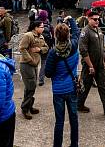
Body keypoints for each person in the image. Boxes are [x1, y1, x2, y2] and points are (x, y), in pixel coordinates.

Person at [44, 16, 80, 147]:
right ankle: (74, 144)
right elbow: (77, 32)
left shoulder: (53, 53)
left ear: (56, 36)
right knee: (74, 118)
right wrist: (71, 19)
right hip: (72, 87)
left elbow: (47, 73)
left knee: (59, 121)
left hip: (58, 90)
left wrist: (57, 72)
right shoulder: (74, 45)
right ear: (68, 35)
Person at [77, 11, 105, 119]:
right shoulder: (85, 32)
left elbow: (102, 47)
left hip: (99, 65)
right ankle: (79, 105)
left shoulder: (99, 30)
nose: (97, 21)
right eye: (94, 19)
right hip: (89, 66)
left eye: (98, 19)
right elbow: (83, 50)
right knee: (85, 87)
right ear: (89, 19)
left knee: (103, 87)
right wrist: (90, 66)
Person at [18, 21, 48, 119]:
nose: (43, 28)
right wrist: (30, 60)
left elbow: (46, 47)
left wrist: (40, 50)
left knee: (32, 86)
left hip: (35, 65)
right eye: (41, 27)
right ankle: (25, 108)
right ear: (35, 27)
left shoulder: (41, 37)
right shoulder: (28, 35)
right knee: (30, 86)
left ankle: (29, 105)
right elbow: (22, 48)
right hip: (26, 64)